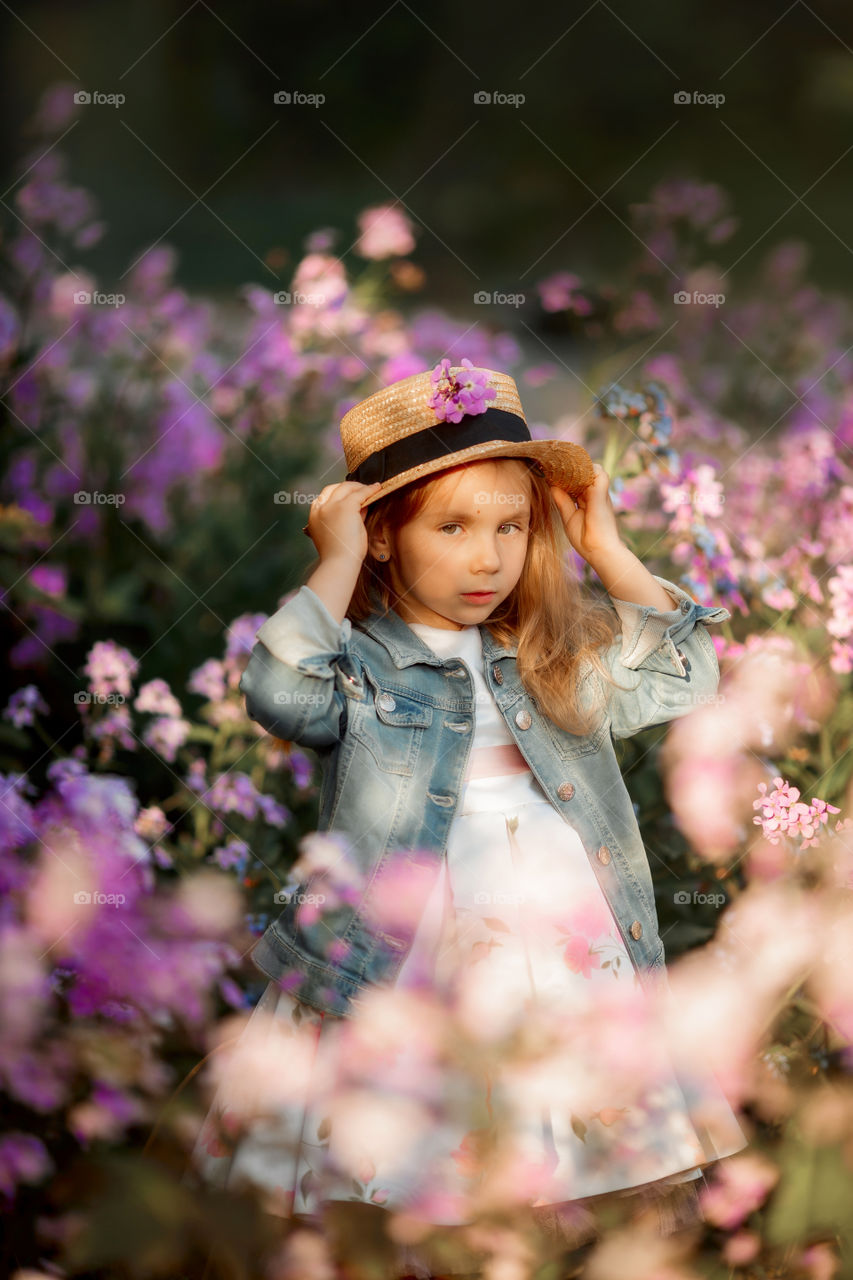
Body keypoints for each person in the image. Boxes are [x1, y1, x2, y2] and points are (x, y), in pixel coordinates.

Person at [190, 361, 748, 1278]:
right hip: (412, 937)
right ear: (381, 535)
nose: (487, 558)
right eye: (451, 528)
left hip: (561, 929)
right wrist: (331, 562)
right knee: (418, 1141)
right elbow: (277, 692)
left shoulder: (544, 650)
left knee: (571, 1134)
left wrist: (603, 545)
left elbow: (684, 675)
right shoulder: (362, 667)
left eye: (510, 527)